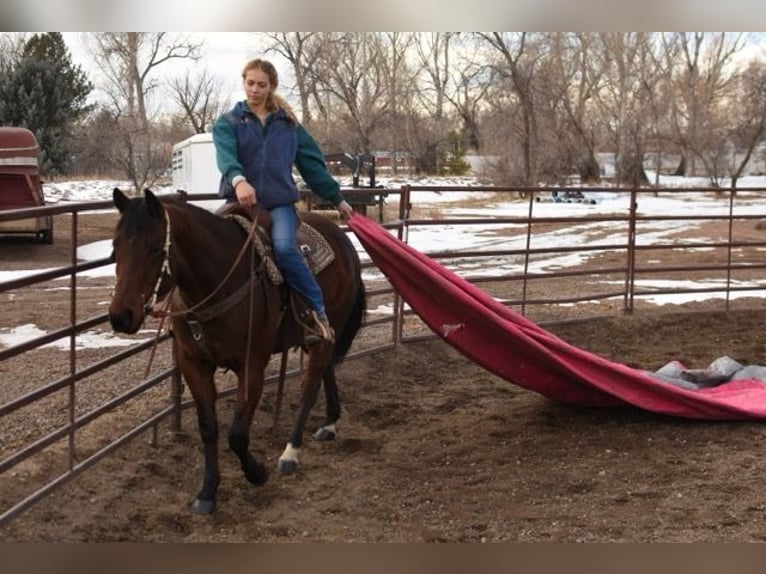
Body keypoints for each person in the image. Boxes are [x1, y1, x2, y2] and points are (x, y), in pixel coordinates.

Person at [213, 58, 354, 346]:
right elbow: (226, 157)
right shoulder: (228, 122)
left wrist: (336, 198)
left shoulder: (289, 126)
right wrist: (239, 180)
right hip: (239, 201)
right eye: (250, 83)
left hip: (278, 205)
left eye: (261, 85)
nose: (254, 89)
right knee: (205, 245)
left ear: (272, 86)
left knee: (285, 250)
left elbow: (312, 167)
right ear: (244, 83)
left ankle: (316, 313)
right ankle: (182, 315)